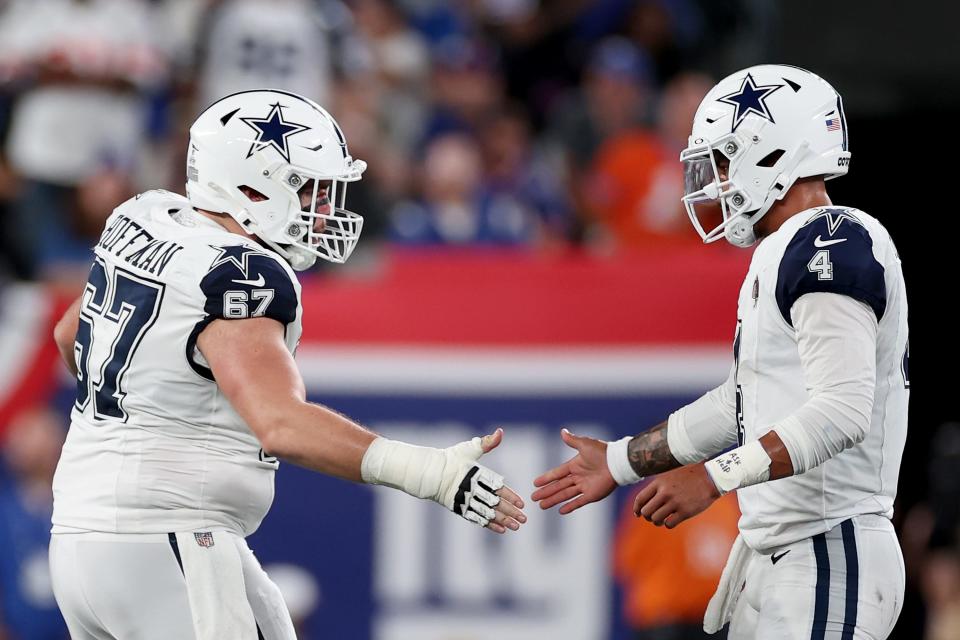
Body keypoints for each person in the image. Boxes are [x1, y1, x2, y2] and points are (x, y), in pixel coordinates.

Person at [48, 89, 526, 640]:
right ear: (252, 187)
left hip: (84, 541)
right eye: (307, 188)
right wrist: (429, 473)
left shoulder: (147, 218)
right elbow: (279, 423)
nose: (325, 209)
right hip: (169, 540)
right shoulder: (241, 273)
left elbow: (70, 337)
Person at [533, 64, 908, 639]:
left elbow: (841, 410)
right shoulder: (783, 249)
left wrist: (712, 478)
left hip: (829, 544)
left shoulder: (833, 237)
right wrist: (619, 461)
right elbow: (743, 402)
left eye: (728, 159)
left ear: (774, 151)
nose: (719, 179)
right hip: (786, 549)